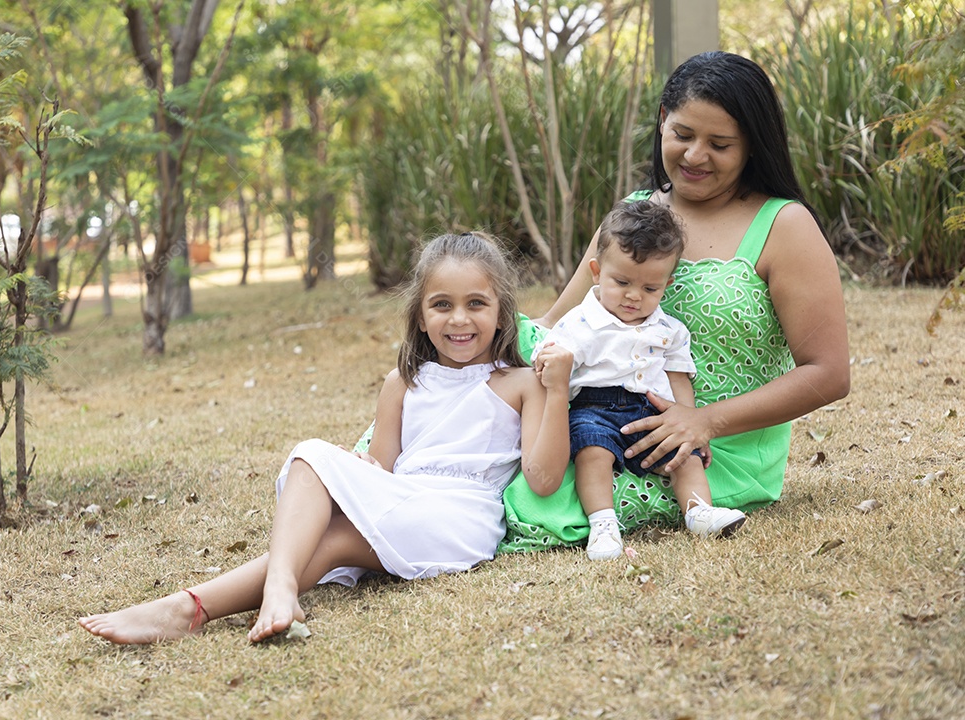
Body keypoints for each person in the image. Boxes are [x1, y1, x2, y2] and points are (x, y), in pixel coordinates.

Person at [79, 232, 573, 644]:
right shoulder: (401, 384)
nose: (459, 319)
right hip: (402, 496)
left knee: (330, 516)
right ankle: (195, 608)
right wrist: (352, 470)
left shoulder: (522, 383)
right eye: (442, 305)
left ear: (502, 312)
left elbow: (545, 479)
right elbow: (383, 468)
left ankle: (244, 592)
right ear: (421, 316)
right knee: (315, 469)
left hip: (457, 517)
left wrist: (556, 395)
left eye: (476, 304)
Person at [499, 51, 851, 553]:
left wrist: (703, 420)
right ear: (663, 120)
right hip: (593, 417)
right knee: (464, 435)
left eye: (720, 143)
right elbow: (556, 321)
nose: (694, 155)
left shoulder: (784, 226)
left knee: (525, 504)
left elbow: (828, 373)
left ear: (752, 145)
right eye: (683, 134)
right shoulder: (633, 218)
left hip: (710, 449)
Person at [537, 200, 746, 560]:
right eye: (622, 282)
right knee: (592, 450)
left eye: (651, 289)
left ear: (668, 283)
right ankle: (603, 524)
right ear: (597, 271)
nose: (634, 296)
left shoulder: (669, 329)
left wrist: (690, 422)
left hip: (651, 409)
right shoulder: (580, 323)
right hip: (595, 406)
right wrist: (550, 361)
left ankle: (698, 510)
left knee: (684, 455)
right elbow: (551, 359)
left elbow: (678, 378)